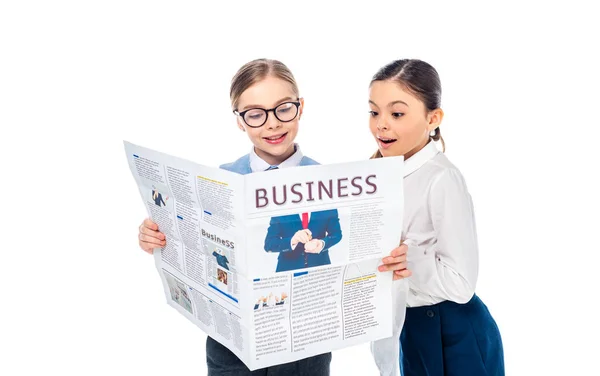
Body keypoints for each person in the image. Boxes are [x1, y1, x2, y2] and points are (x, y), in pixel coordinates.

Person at [137, 59, 338, 375]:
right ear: (240, 121)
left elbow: (342, 242)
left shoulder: (330, 182)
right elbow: (192, 244)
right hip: (232, 351)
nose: (272, 124)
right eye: (256, 114)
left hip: (303, 350)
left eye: (283, 108)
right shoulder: (220, 180)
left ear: (300, 108)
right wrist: (155, 235)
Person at [368, 59, 504, 376]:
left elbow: (462, 284)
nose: (381, 125)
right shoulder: (376, 176)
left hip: (454, 333)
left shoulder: (442, 179)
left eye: (397, 113)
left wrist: (407, 258)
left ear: (433, 118)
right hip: (411, 328)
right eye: (374, 112)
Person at [264, 209, 342, 272]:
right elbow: (269, 244)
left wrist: (322, 243)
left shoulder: (327, 205)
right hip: (288, 268)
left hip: (320, 268)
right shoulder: (280, 208)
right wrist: (293, 240)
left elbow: (336, 234)